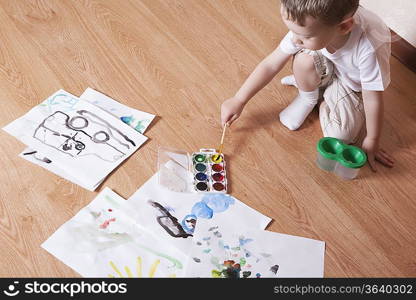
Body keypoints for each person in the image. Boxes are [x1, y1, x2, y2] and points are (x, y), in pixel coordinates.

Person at [221, 0, 394, 171]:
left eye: (304, 36)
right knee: (303, 60)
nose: (295, 39)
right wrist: (239, 99)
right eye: (292, 31)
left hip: (352, 85)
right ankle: (308, 96)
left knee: (340, 136)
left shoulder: (369, 48)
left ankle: (323, 93)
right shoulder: (310, 24)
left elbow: (372, 98)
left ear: (343, 27)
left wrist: (372, 139)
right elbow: (271, 64)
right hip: (326, 57)